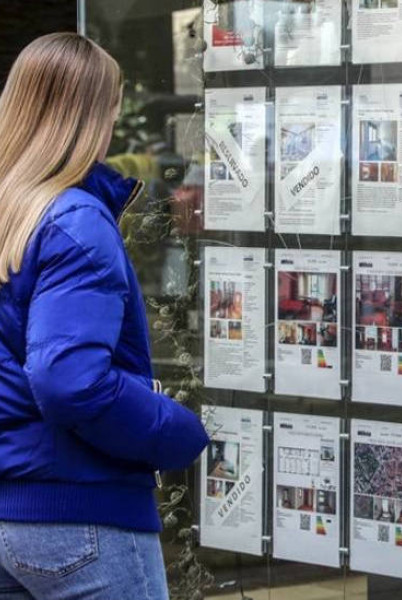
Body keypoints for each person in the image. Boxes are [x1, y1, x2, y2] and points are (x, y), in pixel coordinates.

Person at [0, 33, 209, 599]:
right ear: (96, 114)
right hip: (82, 514)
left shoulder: (13, 215)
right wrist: (174, 428)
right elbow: (67, 380)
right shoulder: (75, 220)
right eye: (114, 105)